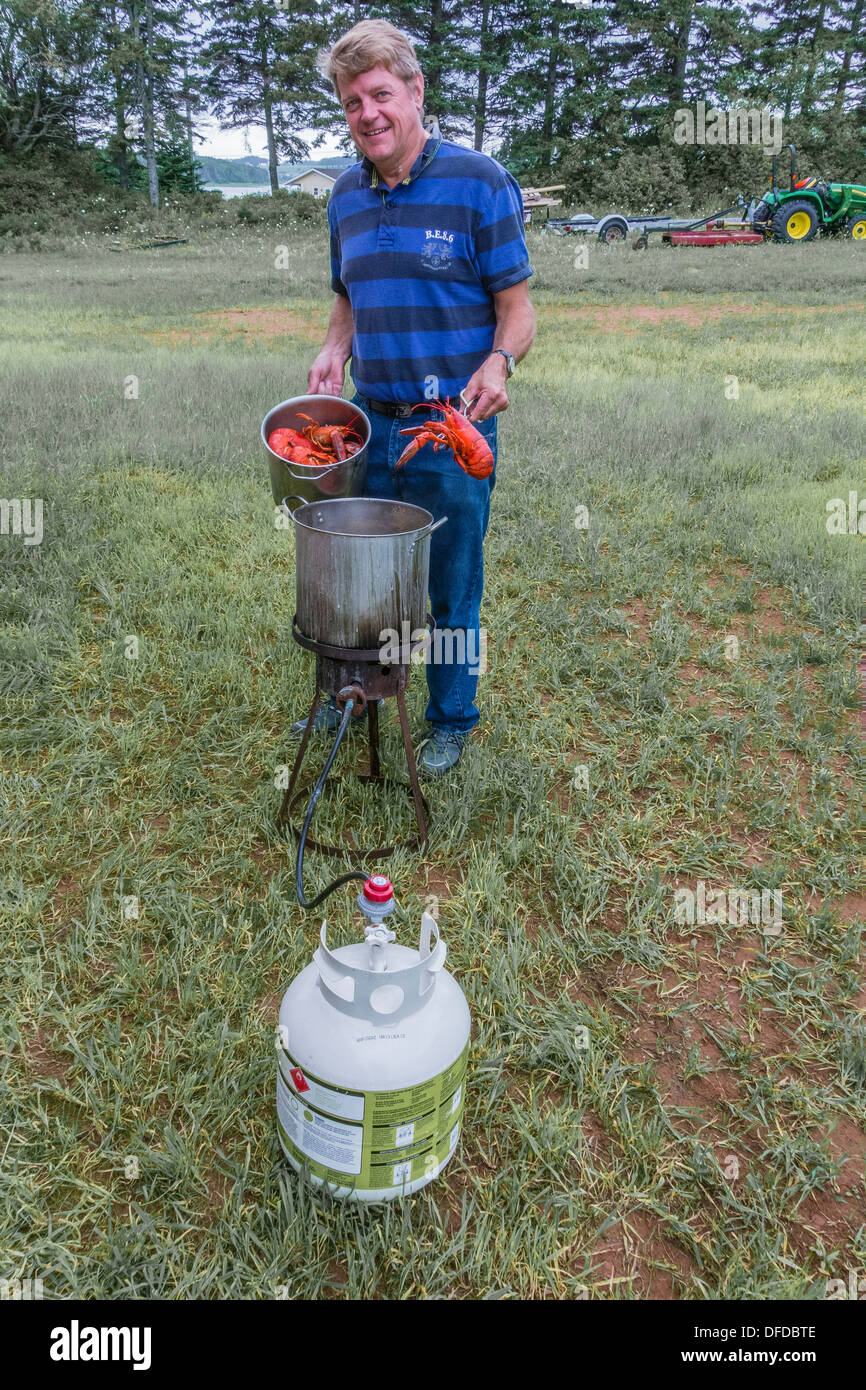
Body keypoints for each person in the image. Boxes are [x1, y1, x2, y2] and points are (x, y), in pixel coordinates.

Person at [299, 18, 535, 775]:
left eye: (379, 94)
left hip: (454, 429)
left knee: (449, 584)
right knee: (366, 582)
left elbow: (519, 309)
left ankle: (451, 720)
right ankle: (362, 692)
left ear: (416, 91)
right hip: (370, 423)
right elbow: (347, 297)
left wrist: (498, 363)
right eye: (350, 102)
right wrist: (334, 349)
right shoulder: (343, 196)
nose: (366, 113)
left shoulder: (479, 181)